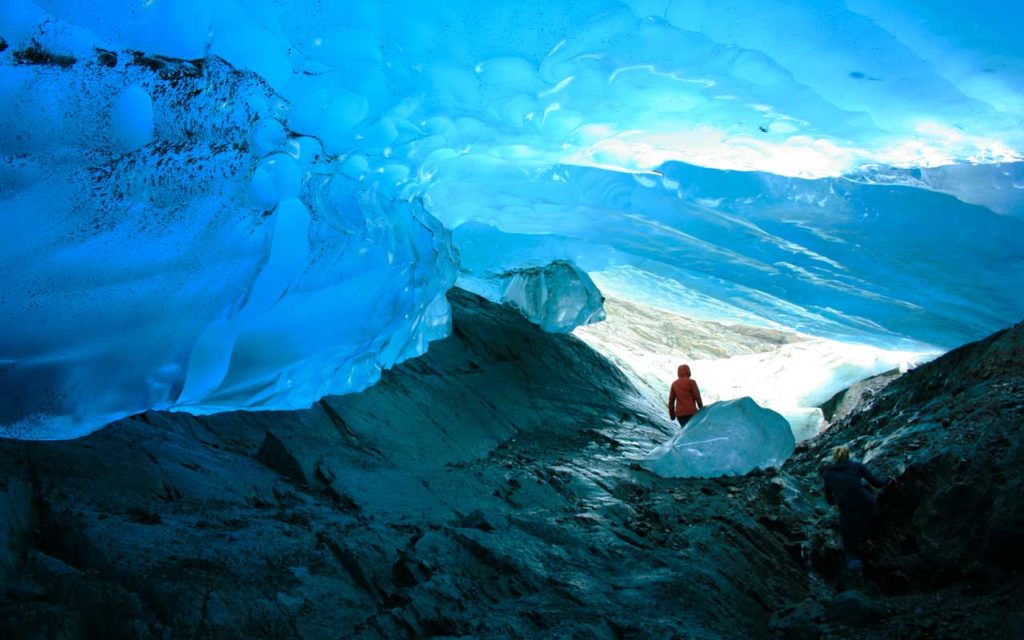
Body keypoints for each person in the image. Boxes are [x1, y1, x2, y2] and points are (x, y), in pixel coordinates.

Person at [823, 445, 895, 572]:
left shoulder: (829, 473)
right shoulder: (857, 466)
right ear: (848, 455)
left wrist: (837, 502)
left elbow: (828, 497)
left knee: (848, 533)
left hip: (848, 509)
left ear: (834, 458)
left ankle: (854, 561)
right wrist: (888, 478)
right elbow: (877, 483)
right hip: (867, 505)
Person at [668, 364, 703, 428]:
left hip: (680, 415)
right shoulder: (691, 382)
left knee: (686, 430)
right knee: (693, 430)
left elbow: (671, 401)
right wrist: (702, 410)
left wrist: (672, 415)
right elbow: (697, 397)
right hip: (691, 412)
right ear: (688, 372)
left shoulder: (674, 384)